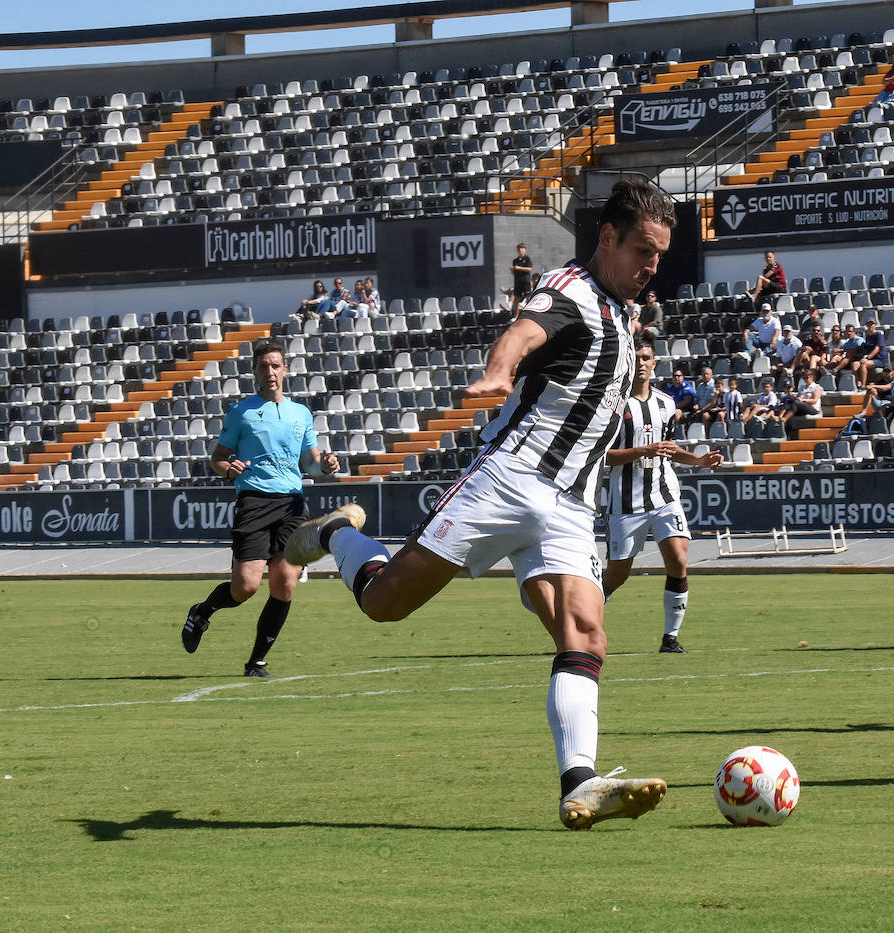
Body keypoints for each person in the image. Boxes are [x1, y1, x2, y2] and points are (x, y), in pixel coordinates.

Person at [282, 179, 676, 830]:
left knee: (586, 633)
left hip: (572, 504)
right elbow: (524, 331)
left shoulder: (623, 310)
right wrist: (498, 372)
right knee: (387, 603)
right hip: (512, 478)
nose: (651, 265)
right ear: (607, 238)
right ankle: (334, 535)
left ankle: (578, 783)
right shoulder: (572, 288)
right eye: (642, 250)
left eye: (659, 254)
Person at [182, 341, 341, 677]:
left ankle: (256, 662)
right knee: (245, 587)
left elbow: (310, 466)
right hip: (254, 502)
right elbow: (217, 457)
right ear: (254, 372)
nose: (269, 372)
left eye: (275, 365)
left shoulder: (301, 413)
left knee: (285, 583)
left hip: (292, 505)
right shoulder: (241, 412)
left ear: (285, 369)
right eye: (263, 366)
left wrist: (324, 467)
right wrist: (228, 469)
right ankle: (202, 611)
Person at [603, 337, 725, 653]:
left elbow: (668, 450)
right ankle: (578, 619)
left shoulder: (666, 404)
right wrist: (643, 450)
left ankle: (670, 638)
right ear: (628, 362)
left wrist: (698, 460)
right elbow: (600, 456)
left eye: (647, 357)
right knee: (616, 576)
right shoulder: (612, 405)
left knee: (678, 559)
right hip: (626, 499)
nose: (641, 362)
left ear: (655, 363)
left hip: (664, 494)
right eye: (637, 357)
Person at [852, 319, 889, 384]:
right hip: (872, 359)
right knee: (855, 364)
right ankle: (858, 383)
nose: (870, 326)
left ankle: (863, 385)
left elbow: (877, 349)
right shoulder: (868, 337)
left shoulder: (879, 335)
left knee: (864, 364)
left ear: (875, 325)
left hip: (880, 359)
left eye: (872, 324)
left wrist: (867, 358)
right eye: (868, 324)